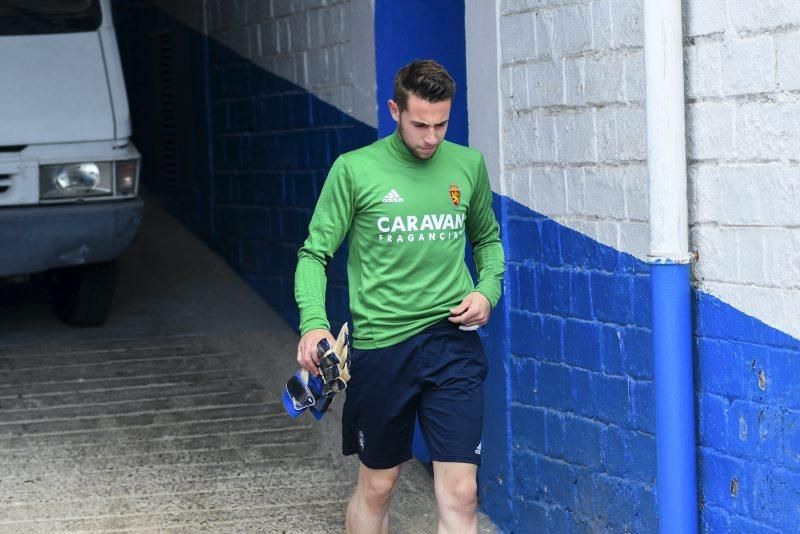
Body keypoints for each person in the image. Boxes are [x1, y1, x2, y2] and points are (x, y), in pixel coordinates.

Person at [294, 59, 505, 534]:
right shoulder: (354, 170)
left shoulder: (467, 165)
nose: (432, 137)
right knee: (380, 485)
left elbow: (487, 241)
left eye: (442, 124)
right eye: (420, 124)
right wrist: (313, 323)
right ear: (394, 109)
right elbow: (314, 254)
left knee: (462, 493)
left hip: (452, 343)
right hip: (382, 346)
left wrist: (486, 291)